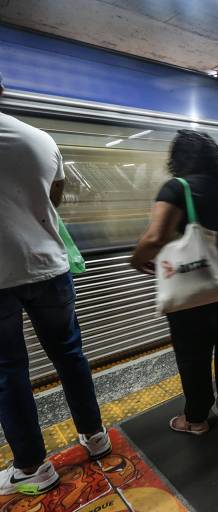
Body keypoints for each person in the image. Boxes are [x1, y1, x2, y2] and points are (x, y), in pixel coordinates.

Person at [0, 73, 110, 496]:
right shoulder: (40, 139)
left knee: (10, 372)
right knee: (70, 355)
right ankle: (96, 436)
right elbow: (54, 196)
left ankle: (32, 467)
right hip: (49, 266)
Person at [131, 130, 218, 435]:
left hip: (196, 282)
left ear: (178, 160)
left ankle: (197, 418)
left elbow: (155, 236)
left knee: (193, 350)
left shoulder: (178, 188)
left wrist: (136, 260)